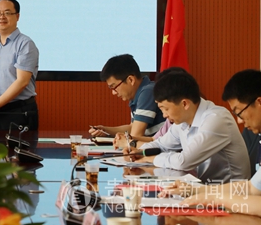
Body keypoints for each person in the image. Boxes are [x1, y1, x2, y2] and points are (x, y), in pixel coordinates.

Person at [162, 69, 261, 215]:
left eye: (239, 112)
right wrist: (194, 190)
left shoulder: (216, 118)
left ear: (259, 102)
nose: (239, 121)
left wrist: (213, 198)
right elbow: (252, 188)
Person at [129, 69, 250, 183]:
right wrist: (140, 152)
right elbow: (161, 144)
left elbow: (184, 161)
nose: (164, 115)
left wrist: (152, 158)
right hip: (203, 188)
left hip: (230, 193)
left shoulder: (217, 119)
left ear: (184, 104)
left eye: (165, 109)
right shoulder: (183, 120)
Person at [0, 0, 39, 131]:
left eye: (7, 13)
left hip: (18, 111)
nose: (1, 17)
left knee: (18, 146)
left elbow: (22, 81)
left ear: (17, 16)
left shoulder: (25, 44)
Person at [90, 54, 165, 138]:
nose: (114, 93)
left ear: (130, 80)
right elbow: (132, 127)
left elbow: (135, 135)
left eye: (114, 87)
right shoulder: (137, 95)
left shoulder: (147, 92)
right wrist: (105, 130)